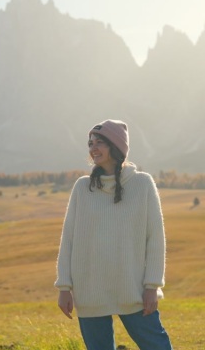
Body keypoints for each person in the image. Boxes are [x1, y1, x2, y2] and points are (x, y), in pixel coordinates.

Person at [55, 119, 173, 350]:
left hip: (133, 289)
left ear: (117, 147)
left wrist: (152, 286)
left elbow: (155, 239)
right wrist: (64, 288)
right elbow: (68, 240)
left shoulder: (142, 183)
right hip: (89, 289)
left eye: (100, 142)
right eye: (90, 143)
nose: (93, 148)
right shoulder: (82, 187)